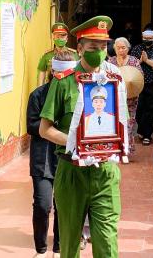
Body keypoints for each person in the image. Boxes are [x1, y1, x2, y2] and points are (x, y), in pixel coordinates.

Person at [39, 15, 128, 258]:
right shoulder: (63, 81)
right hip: (71, 172)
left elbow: (121, 127)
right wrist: (74, 142)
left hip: (106, 172)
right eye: (92, 47)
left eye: (102, 48)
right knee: (69, 243)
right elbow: (44, 129)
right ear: (79, 48)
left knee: (107, 243)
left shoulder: (114, 83)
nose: (99, 52)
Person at [28, 50, 76, 258]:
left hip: (66, 156)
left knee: (63, 205)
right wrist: (52, 125)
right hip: (42, 156)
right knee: (42, 204)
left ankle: (58, 247)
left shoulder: (76, 95)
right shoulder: (37, 95)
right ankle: (40, 248)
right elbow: (32, 125)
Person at [132, 29, 153, 146]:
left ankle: (147, 135)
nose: (147, 40)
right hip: (139, 83)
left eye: (149, 39)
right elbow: (131, 65)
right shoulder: (137, 49)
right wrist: (141, 61)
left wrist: (147, 61)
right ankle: (142, 130)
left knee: (151, 110)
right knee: (139, 109)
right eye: (145, 38)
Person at [108, 37, 143, 152]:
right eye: (118, 48)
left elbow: (139, 77)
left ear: (128, 48)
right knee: (114, 124)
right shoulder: (111, 62)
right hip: (114, 99)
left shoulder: (134, 61)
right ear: (115, 49)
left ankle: (126, 150)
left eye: (123, 47)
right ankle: (116, 149)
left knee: (128, 125)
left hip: (131, 98)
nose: (121, 50)